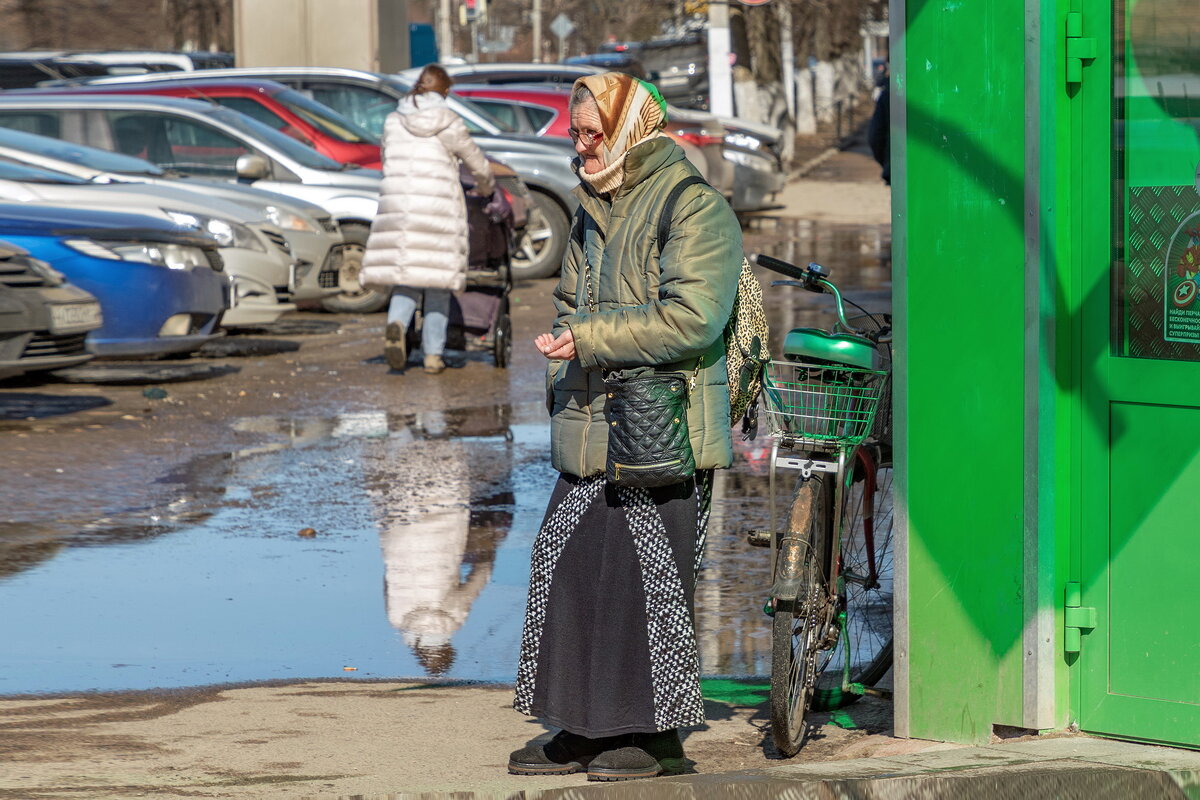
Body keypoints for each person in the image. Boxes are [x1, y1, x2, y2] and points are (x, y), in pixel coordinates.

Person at [509, 72, 742, 781]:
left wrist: (588, 341)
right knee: (568, 561)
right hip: (592, 420)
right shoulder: (592, 206)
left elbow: (693, 318)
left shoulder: (691, 206)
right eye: (574, 132)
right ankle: (583, 725)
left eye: (592, 133)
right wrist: (562, 368)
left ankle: (653, 737)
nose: (578, 146)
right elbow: (566, 304)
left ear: (632, 132)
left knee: (646, 580)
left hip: (660, 428)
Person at [361, 63, 495, 374]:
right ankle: (433, 355)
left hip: (398, 206)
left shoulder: (394, 120)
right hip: (438, 208)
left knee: (406, 278)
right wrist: (486, 185)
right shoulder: (447, 120)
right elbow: (475, 160)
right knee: (437, 284)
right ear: (445, 92)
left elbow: (386, 158)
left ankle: (396, 324)